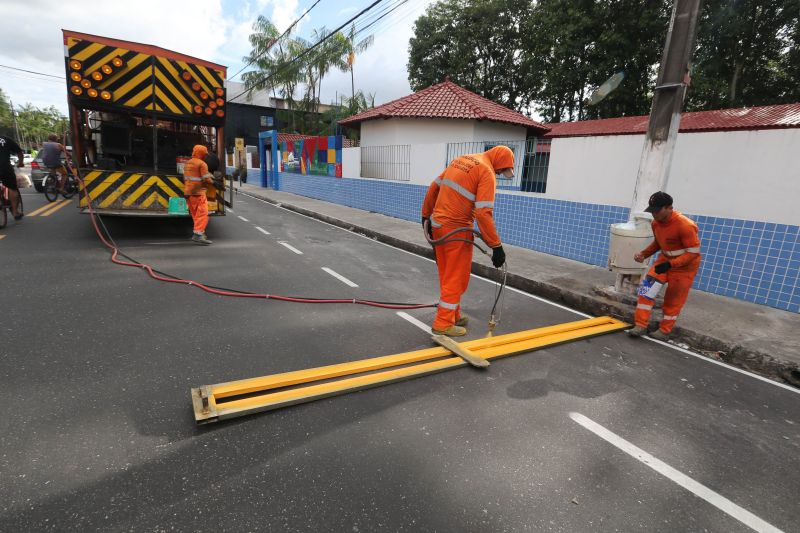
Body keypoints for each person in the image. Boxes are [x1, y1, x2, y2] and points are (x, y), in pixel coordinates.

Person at [421, 145, 512, 337]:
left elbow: (434, 186)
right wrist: (496, 246)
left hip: (439, 226)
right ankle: (443, 323)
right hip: (456, 230)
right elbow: (483, 213)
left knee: (448, 273)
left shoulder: (463, 159)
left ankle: (453, 314)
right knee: (457, 277)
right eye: (501, 170)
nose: (499, 173)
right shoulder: (486, 171)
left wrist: (425, 216)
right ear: (498, 163)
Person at [628, 191, 702, 340]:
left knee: (673, 300)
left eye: (657, 210)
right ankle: (640, 325)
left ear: (669, 208)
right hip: (664, 261)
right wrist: (644, 254)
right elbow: (658, 243)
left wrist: (671, 264)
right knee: (646, 291)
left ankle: (664, 331)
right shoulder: (656, 223)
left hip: (684, 268)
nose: (654, 214)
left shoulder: (685, 225)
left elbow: (693, 253)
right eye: (652, 210)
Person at [183, 144, 215, 245]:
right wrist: (215, 183)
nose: (205, 156)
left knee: (196, 214)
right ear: (201, 154)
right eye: (205, 154)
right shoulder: (202, 164)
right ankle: (198, 235)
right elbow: (206, 178)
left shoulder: (188, 163)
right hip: (198, 192)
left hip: (189, 192)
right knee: (203, 213)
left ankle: (199, 232)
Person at [0, 134, 25, 220]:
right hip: (4, 167)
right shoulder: (6, 139)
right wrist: (21, 163)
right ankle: (15, 212)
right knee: (12, 188)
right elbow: (19, 152)